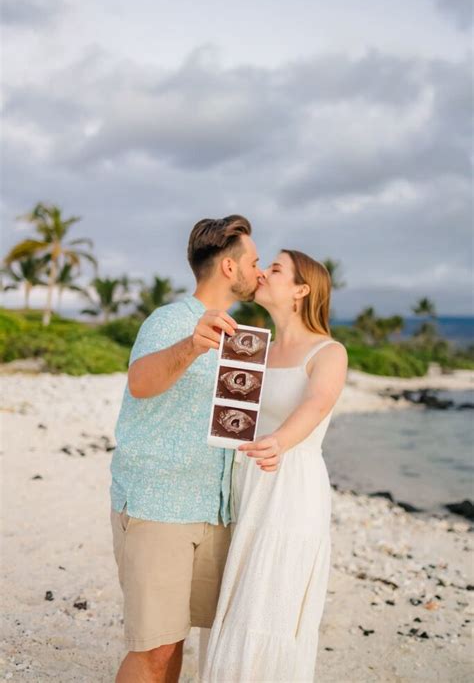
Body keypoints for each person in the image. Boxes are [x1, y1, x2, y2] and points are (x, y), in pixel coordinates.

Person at [110, 215, 264, 683]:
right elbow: (140, 382)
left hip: (212, 506)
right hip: (159, 504)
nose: (260, 271)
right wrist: (191, 346)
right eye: (255, 262)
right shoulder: (171, 321)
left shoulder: (243, 338)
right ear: (229, 269)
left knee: (175, 644)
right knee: (153, 648)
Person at [201, 249, 348, 682]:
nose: (263, 272)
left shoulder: (329, 351)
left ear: (302, 290)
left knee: (268, 600)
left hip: (289, 486)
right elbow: (230, 415)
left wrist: (279, 442)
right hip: (244, 482)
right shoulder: (250, 345)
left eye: (277, 269)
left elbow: (317, 402)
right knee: (236, 595)